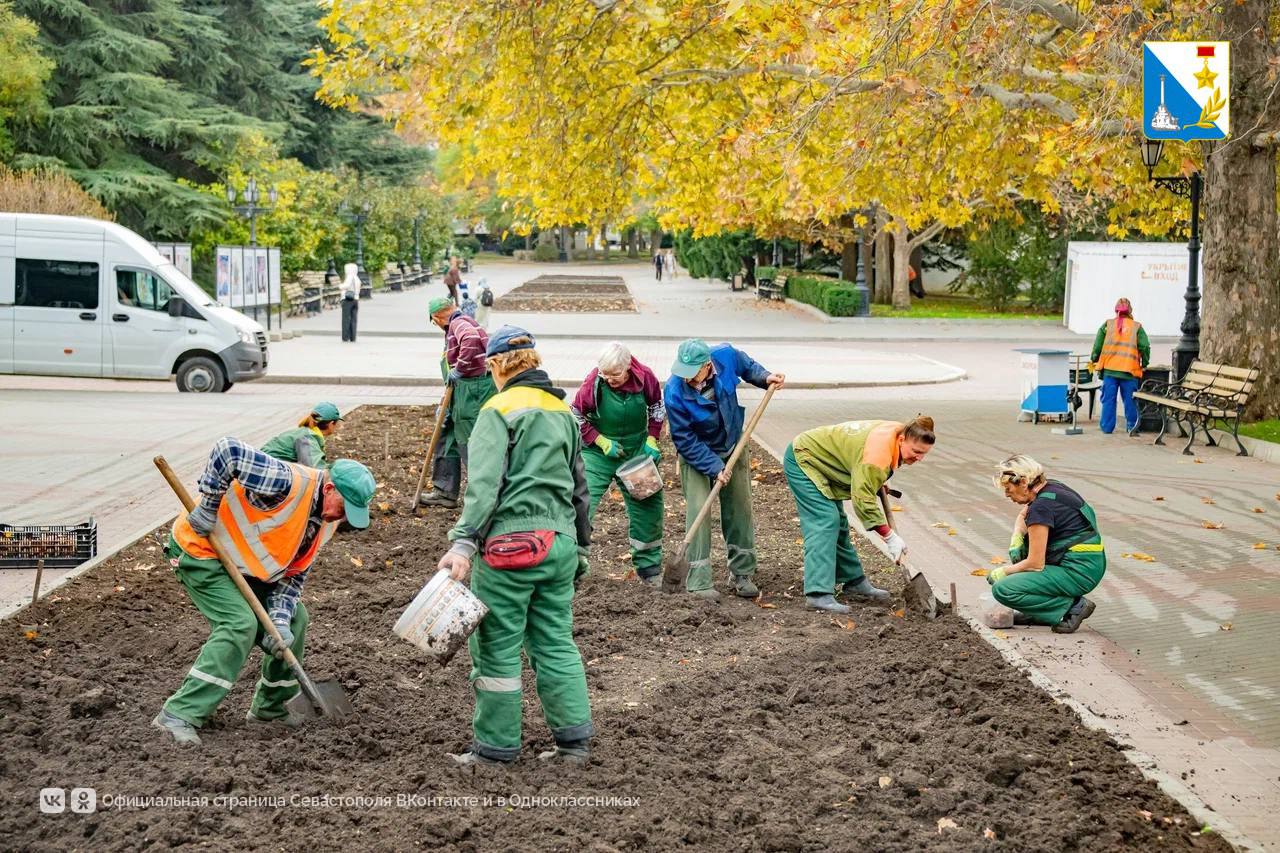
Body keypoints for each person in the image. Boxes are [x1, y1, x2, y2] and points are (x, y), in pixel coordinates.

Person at [438, 325, 594, 768]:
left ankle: (495, 750)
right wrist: (581, 547)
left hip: (510, 548)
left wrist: (464, 543)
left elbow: (484, 487)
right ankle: (574, 744)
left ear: (494, 365)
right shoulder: (562, 411)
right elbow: (580, 487)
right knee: (555, 643)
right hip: (560, 545)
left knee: (498, 647)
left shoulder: (497, 409)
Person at [152, 438, 376, 746]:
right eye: (344, 509)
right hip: (202, 551)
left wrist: (280, 620)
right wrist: (208, 506)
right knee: (239, 624)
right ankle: (178, 714)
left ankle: (269, 710)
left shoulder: (325, 521)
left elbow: (293, 576)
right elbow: (227, 451)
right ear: (329, 489)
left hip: (247, 567)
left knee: (296, 620)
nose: (343, 518)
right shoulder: (286, 483)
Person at [664, 339, 784, 601]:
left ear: (707, 366)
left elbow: (746, 365)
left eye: (691, 372)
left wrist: (765, 377)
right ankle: (698, 580)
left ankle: (742, 573)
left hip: (732, 444)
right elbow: (684, 439)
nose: (685, 378)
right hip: (696, 453)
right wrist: (714, 466)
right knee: (699, 510)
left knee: (739, 508)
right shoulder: (673, 391)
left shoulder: (725, 356)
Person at [784, 417, 936, 613]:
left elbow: (865, 464)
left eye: (924, 454)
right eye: (916, 452)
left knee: (837, 522)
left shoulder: (900, 432)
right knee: (825, 520)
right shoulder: (876, 458)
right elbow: (863, 500)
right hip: (804, 459)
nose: (919, 458)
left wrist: (876, 479)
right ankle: (818, 594)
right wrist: (889, 536)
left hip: (825, 460)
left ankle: (853, 581)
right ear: (901, 440)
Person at [572, 342, 666, 586]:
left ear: (628, 367)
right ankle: (573, 565)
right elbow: (575, 414)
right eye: (605, 374)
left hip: (635, 450)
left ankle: (649, 567)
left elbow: (657, 406)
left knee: (648, 504)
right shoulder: (594, 382)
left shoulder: (645, 377)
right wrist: (599, 440)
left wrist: (652, 438)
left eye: (615, 375)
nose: (609, 379)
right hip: (598, 453)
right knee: (581, 503)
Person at [989, 454, 1105, 634]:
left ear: (1023, 483)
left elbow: (1035, 563)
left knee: (1003, 589)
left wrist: (1003, 571)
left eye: (1009, 489)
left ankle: (1074, 606)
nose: (1006, 494)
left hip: (1079, 571)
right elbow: (1023, 515)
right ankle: (1039, 613)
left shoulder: (1041, 507)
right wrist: (1017, 536)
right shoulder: (1050, 487)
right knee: (1021, 554)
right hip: (1090, 563)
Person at [420, 296, 497, 509]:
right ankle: (444, 490)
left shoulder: (459, 323)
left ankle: (484, 495)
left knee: (469, 439)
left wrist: (460, 369)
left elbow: (471, 339)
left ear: (436, 317)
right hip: (461, 390)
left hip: (473, 391)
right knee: (447, 434)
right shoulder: (457, 323)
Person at [1090, 297, 1150, 434]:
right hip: (1129, 370)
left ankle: (1106, 427)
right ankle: (1132, 427)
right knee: (1130, 401)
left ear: (1116, 310)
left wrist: (1094, 358)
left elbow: (1097, 346)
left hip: (1110, 371)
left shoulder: (1107, 325)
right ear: (1130, 310)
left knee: (1108, 400)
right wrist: (1145, 363)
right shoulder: (1137, 327)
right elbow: (1145, 347)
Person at [261, 402, 343, 469]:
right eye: (337, 423)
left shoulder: (305, 432)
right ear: (331, 423)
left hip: (265, 466)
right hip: (267, 472)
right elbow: (315, 468)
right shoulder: (307, 437)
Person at [340, 263, 359, 342]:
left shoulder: (349, 277)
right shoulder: (357, 278)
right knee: (353, 319)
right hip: (356, 300)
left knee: (346, 319)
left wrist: (340, 286)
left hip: (348, 300)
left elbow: (346, 286)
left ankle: (345, 337)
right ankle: (353, 337)